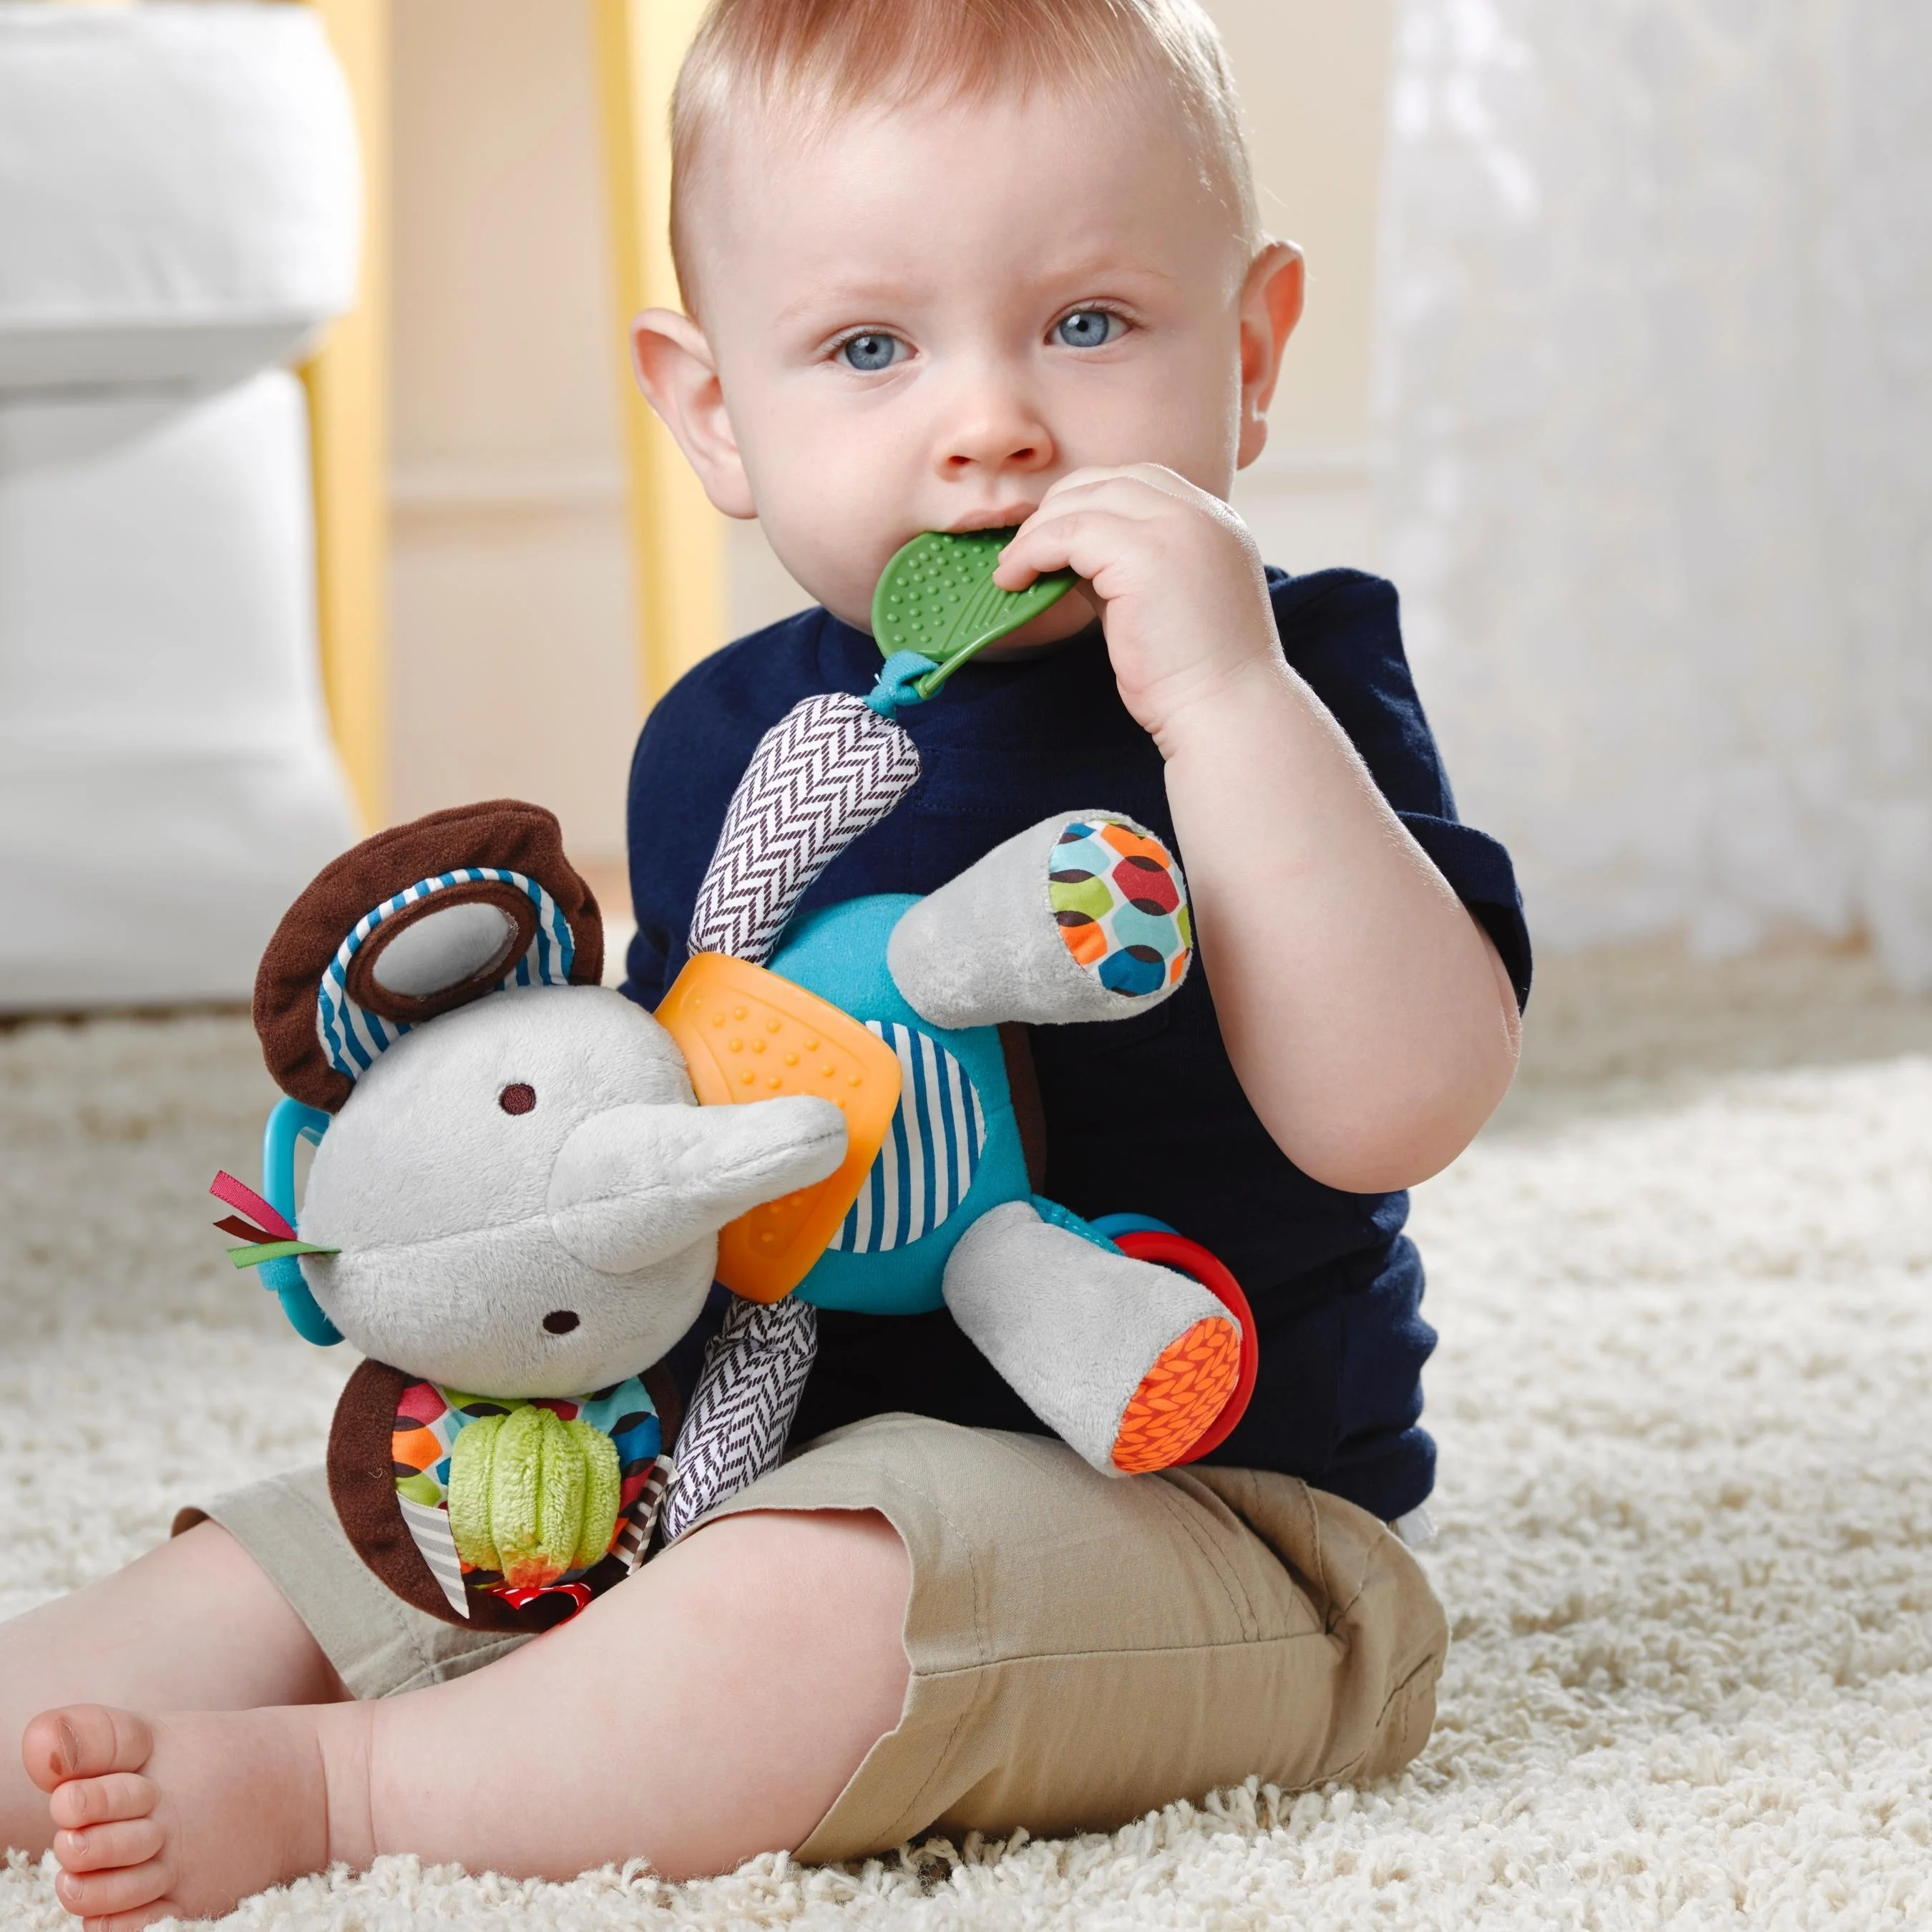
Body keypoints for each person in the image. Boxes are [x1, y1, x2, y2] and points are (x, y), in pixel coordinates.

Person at [2, 2, 1529, 1923]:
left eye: (1086, 324)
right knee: (360, 1521)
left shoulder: (1288, 687)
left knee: (814, 1597)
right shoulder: (723, 742)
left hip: (1209, 1516)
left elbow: (1398, 1099)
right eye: (869, 348)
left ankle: (357, 1785)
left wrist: (1221, 697)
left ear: (1247, 349)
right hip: (733, 1442)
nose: (991, 420)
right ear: (715, 410)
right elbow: (683, 1143)